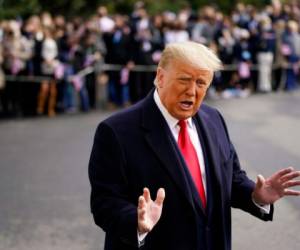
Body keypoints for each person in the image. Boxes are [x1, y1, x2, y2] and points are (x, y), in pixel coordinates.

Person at [88, 41, 300, 250]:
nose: (192, 91)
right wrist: (136, 222)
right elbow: (104, 202)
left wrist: (255, 195)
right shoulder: (116, 131)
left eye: (201, 83)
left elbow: (231, 178)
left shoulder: (213, 118)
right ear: (160, 77)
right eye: (184, 80)